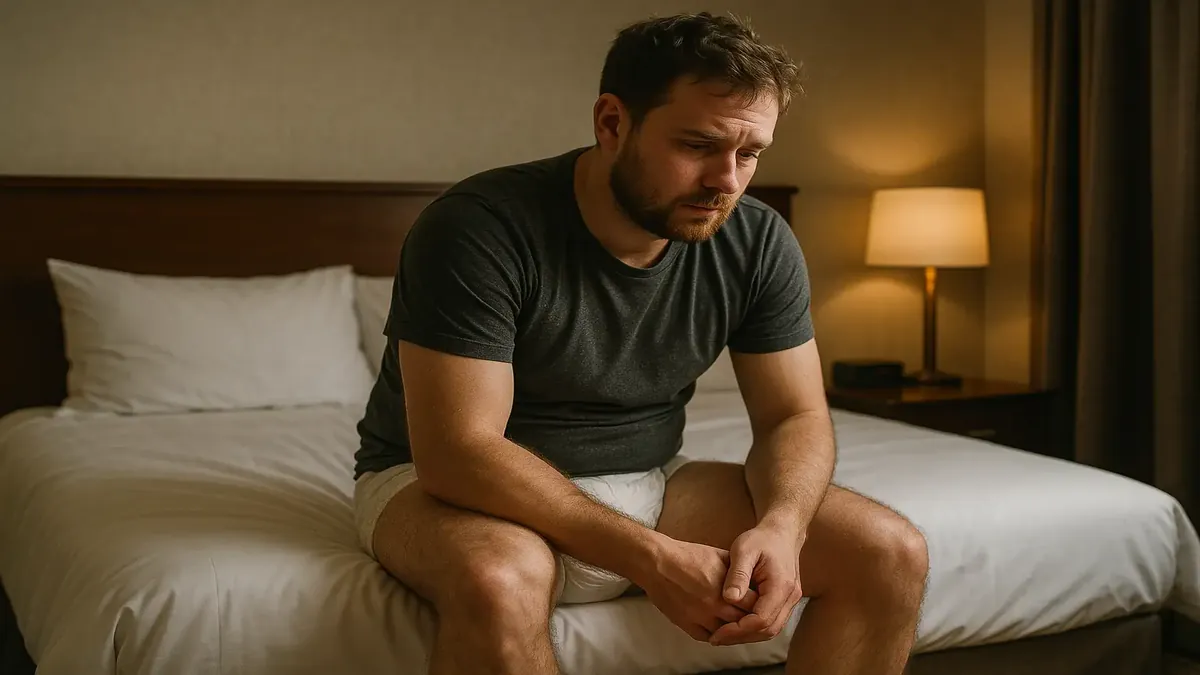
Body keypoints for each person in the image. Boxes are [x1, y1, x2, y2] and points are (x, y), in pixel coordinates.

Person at [352, 11, 928, 675]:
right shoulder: (480, 228)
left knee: (888, 551)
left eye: (749, 154)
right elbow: (460, 452)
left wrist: (783, 526)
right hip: (447, 490)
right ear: (611, 122)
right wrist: (651, 557)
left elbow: (793, 415)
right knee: (499, 581)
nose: (727, 181)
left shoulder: (758, 241)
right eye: (698, 146)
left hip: (648, 477)